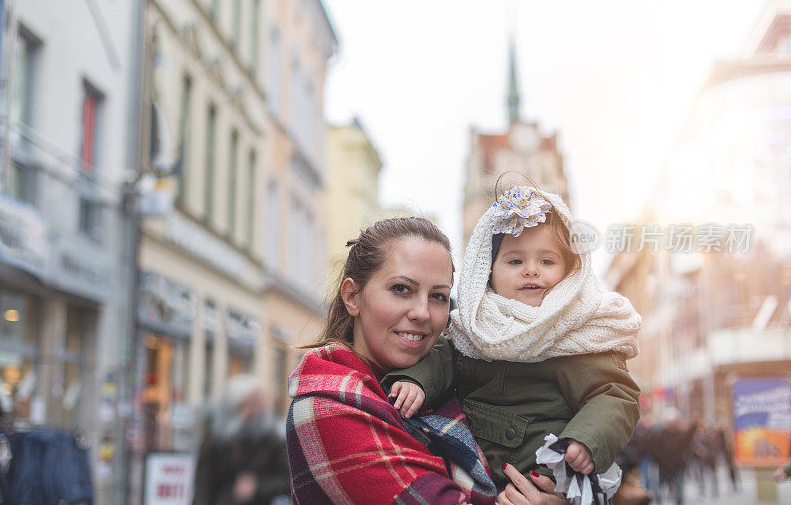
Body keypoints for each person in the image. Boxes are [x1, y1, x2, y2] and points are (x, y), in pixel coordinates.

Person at [285, 217, 565, 504]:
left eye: (438, 296)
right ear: (352, 296)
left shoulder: (458, 377)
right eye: (401, 289)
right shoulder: (326, 406)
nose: (422, 312)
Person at [385, 184, 641, 489]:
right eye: (515, 261)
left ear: (570, 270)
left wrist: (586, 441)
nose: (531, 270)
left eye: (546, 261)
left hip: (541, 474)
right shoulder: (475, 325)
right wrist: (416, 382)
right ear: (489, 271)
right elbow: (444, 355)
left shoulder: (577, 333)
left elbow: (613, 394)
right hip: (472, 469)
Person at [193, 374, 290, 505]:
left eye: (258, 403)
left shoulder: (272, 439)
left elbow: (287, 481)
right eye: (248, 404)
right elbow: (203, 484)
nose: (255, 411)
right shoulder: (215, 438)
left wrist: (258, 486)